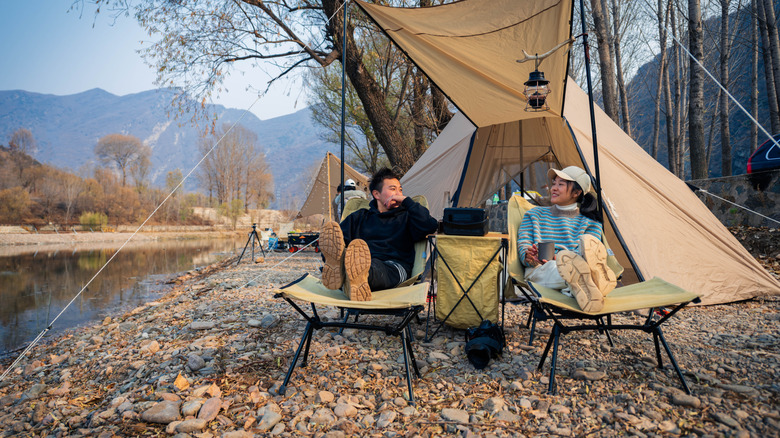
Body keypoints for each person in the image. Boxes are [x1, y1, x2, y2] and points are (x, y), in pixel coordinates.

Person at [319, 168, 438, 300]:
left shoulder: (408, 216)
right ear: (376, 194)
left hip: (395, 267)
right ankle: (346, 275)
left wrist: (407, 201)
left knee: (371, 269)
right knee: (343, 253)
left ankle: (351, 278)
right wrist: (333, 258)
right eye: (393, 189)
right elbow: (334, 245)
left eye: (400, 190)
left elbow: (430, 226)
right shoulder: (359, 217)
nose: (398, 193)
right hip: (360, 261)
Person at [517, 166, 617, 312]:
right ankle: (594, 283)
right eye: (554, 184)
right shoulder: (534, 214)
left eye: (560, 184)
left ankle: (578, 288)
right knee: (558, 268)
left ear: (577, 192)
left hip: (576, 264)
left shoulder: (590, 221)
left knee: (586, 248)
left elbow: (590, 251)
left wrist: (562, 257)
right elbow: (524, 241)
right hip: (540, 269)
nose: (553, 189)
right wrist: (528, 254)